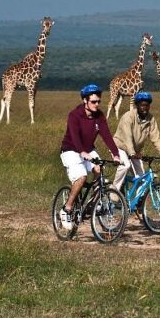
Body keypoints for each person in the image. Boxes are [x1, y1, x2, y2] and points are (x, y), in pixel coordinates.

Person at [59, 84, 121, 230]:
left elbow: (107, 136)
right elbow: (74, 137)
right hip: (71, 150)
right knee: (81, 177)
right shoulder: (74, 115)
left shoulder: (99, 116)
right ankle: (67, 208)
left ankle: (94, 203)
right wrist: (82, 152)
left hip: (88, 149)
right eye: (93, 102)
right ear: (85, 101)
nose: (97, 104)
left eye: (98, 101)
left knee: (99, 171)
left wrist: (116, 154)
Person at [113, 91, 160, 192]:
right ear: (137, 105)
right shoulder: (128, 117)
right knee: (125, 166)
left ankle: (138, 204)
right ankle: (113, 193)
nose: (145, 108)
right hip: (120, 147)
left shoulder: (150, 119)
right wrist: (131, 153)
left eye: (147, 105)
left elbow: (156, 137)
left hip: (134, 151)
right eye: (142, 105)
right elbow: (128, 137)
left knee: (142, 177)